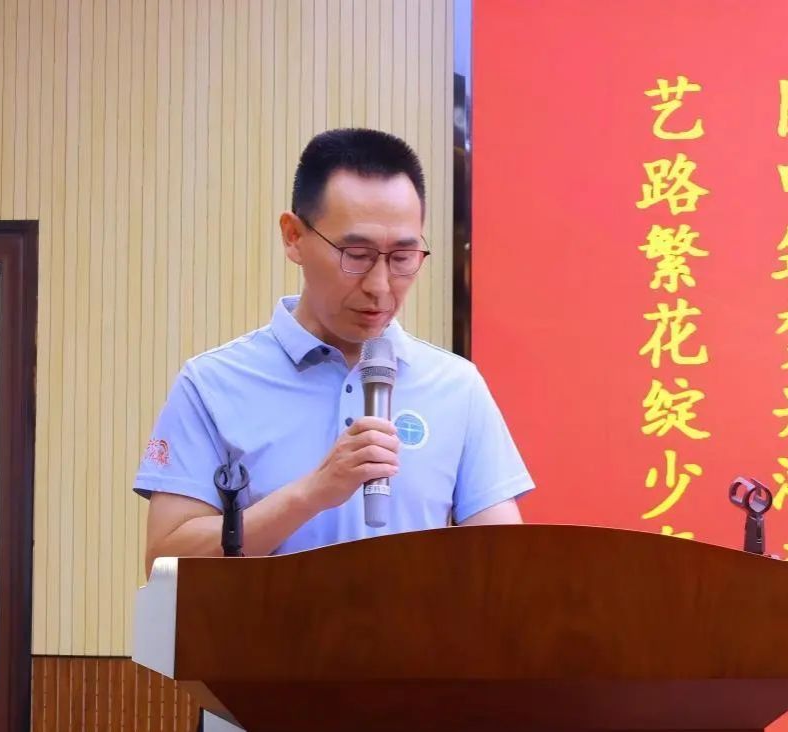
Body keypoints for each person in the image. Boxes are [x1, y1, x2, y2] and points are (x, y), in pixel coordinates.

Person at [134, 127, 533, 570]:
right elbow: (165, 562)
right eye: (356, 255)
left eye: (402, 257)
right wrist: (313, 492)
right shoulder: (212, 383)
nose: (380, 286)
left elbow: (504, 565)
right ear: (293, 236)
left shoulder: (457, 386)